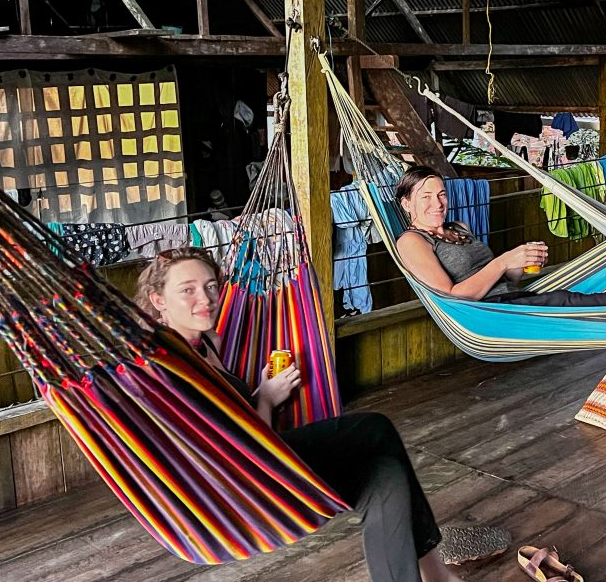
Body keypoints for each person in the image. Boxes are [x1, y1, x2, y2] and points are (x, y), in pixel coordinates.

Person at [136, 248, 464, 582]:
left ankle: (433, 574)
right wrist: (266, 398)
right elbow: (244, 454)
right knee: (376, 437)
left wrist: (260, 392)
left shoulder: (206, 340)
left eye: (210, 286)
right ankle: (436, 574)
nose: (205, 298)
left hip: (266, 459)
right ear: (158, 300)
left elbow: (231, 419)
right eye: (187, 290)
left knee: (384, 472)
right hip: (245, 488)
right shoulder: (171, 368)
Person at [395, 166, 606, 305]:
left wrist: (520, 262)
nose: (437, 203)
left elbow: (503, 279)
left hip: (513, 297)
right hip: (492, 312)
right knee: (571, 300)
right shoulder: (412, 241)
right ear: (407, 203)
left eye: (441, 194)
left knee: (583, 286)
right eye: (426, 197)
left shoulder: (459, 228)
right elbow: (454, 295)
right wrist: (504, 260)